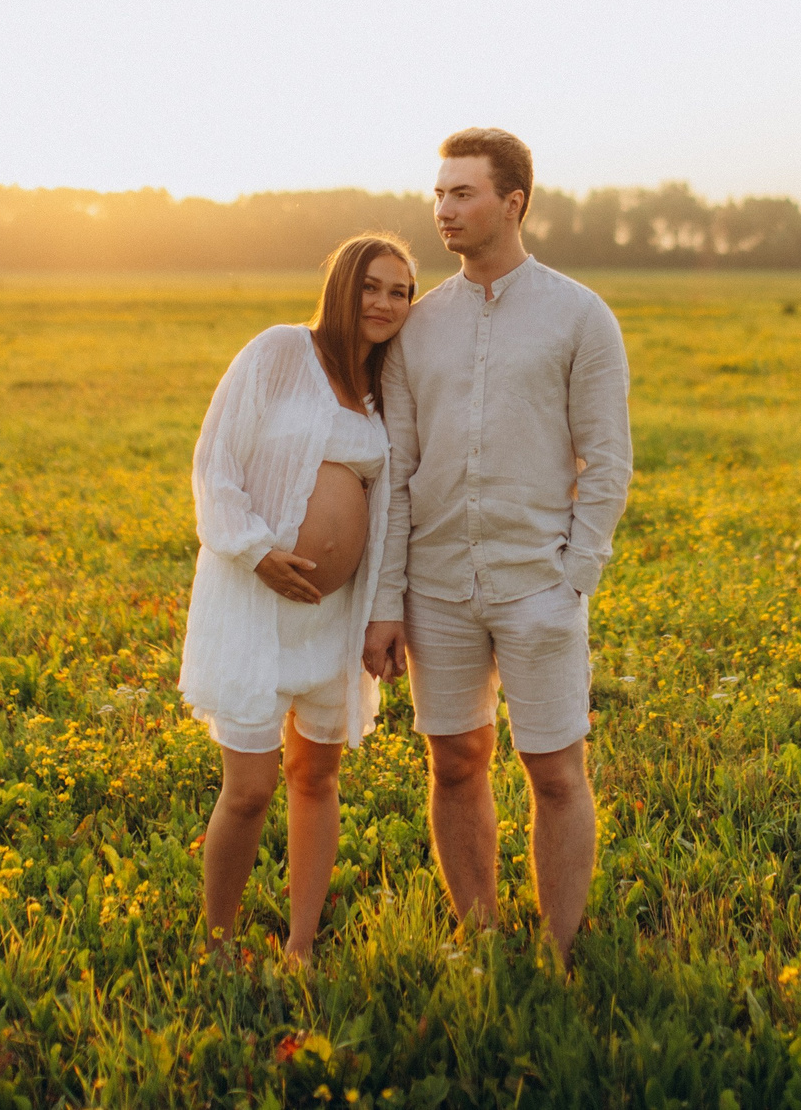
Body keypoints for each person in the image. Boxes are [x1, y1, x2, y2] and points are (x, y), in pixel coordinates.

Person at [361, 128, 632, 964]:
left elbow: (609, 457)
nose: (442, 209)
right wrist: (385, 602)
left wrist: (572, 577)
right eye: (438, 193)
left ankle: (560, 950)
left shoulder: (579, 314)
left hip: (537, 587)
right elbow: (398, 470)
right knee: (454, 764)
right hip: (436, 589)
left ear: (512, 202)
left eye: (462, 193)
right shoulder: (417, 325)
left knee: (555, 773)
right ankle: (477, 936)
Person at [179, 232, 418, 963]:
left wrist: (384, 606)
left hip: (333, 619)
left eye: (401, 291)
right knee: (249, 788)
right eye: (372, 286)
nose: (385, 303)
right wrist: (255, 552)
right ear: (343, 287)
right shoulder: (279, 352)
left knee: (317, 776)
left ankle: (301, 942)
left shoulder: (383, 391)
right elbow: (213, 463)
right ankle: (217, 943)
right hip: (257, 605)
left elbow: (392, 509)